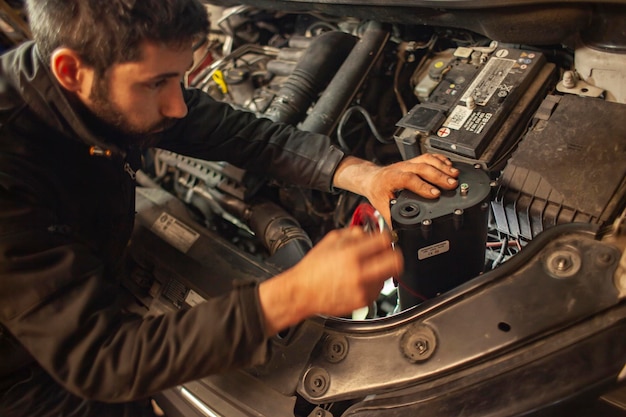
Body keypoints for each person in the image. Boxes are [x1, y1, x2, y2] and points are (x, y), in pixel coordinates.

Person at [0, 0, 459, 416]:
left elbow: (235, 132)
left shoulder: (103, 80)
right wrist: (296, 293)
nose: (177, 105)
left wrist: (364, 175)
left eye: (181, 75)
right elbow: (103, 361)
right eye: (157, 82)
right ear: (70, 71)